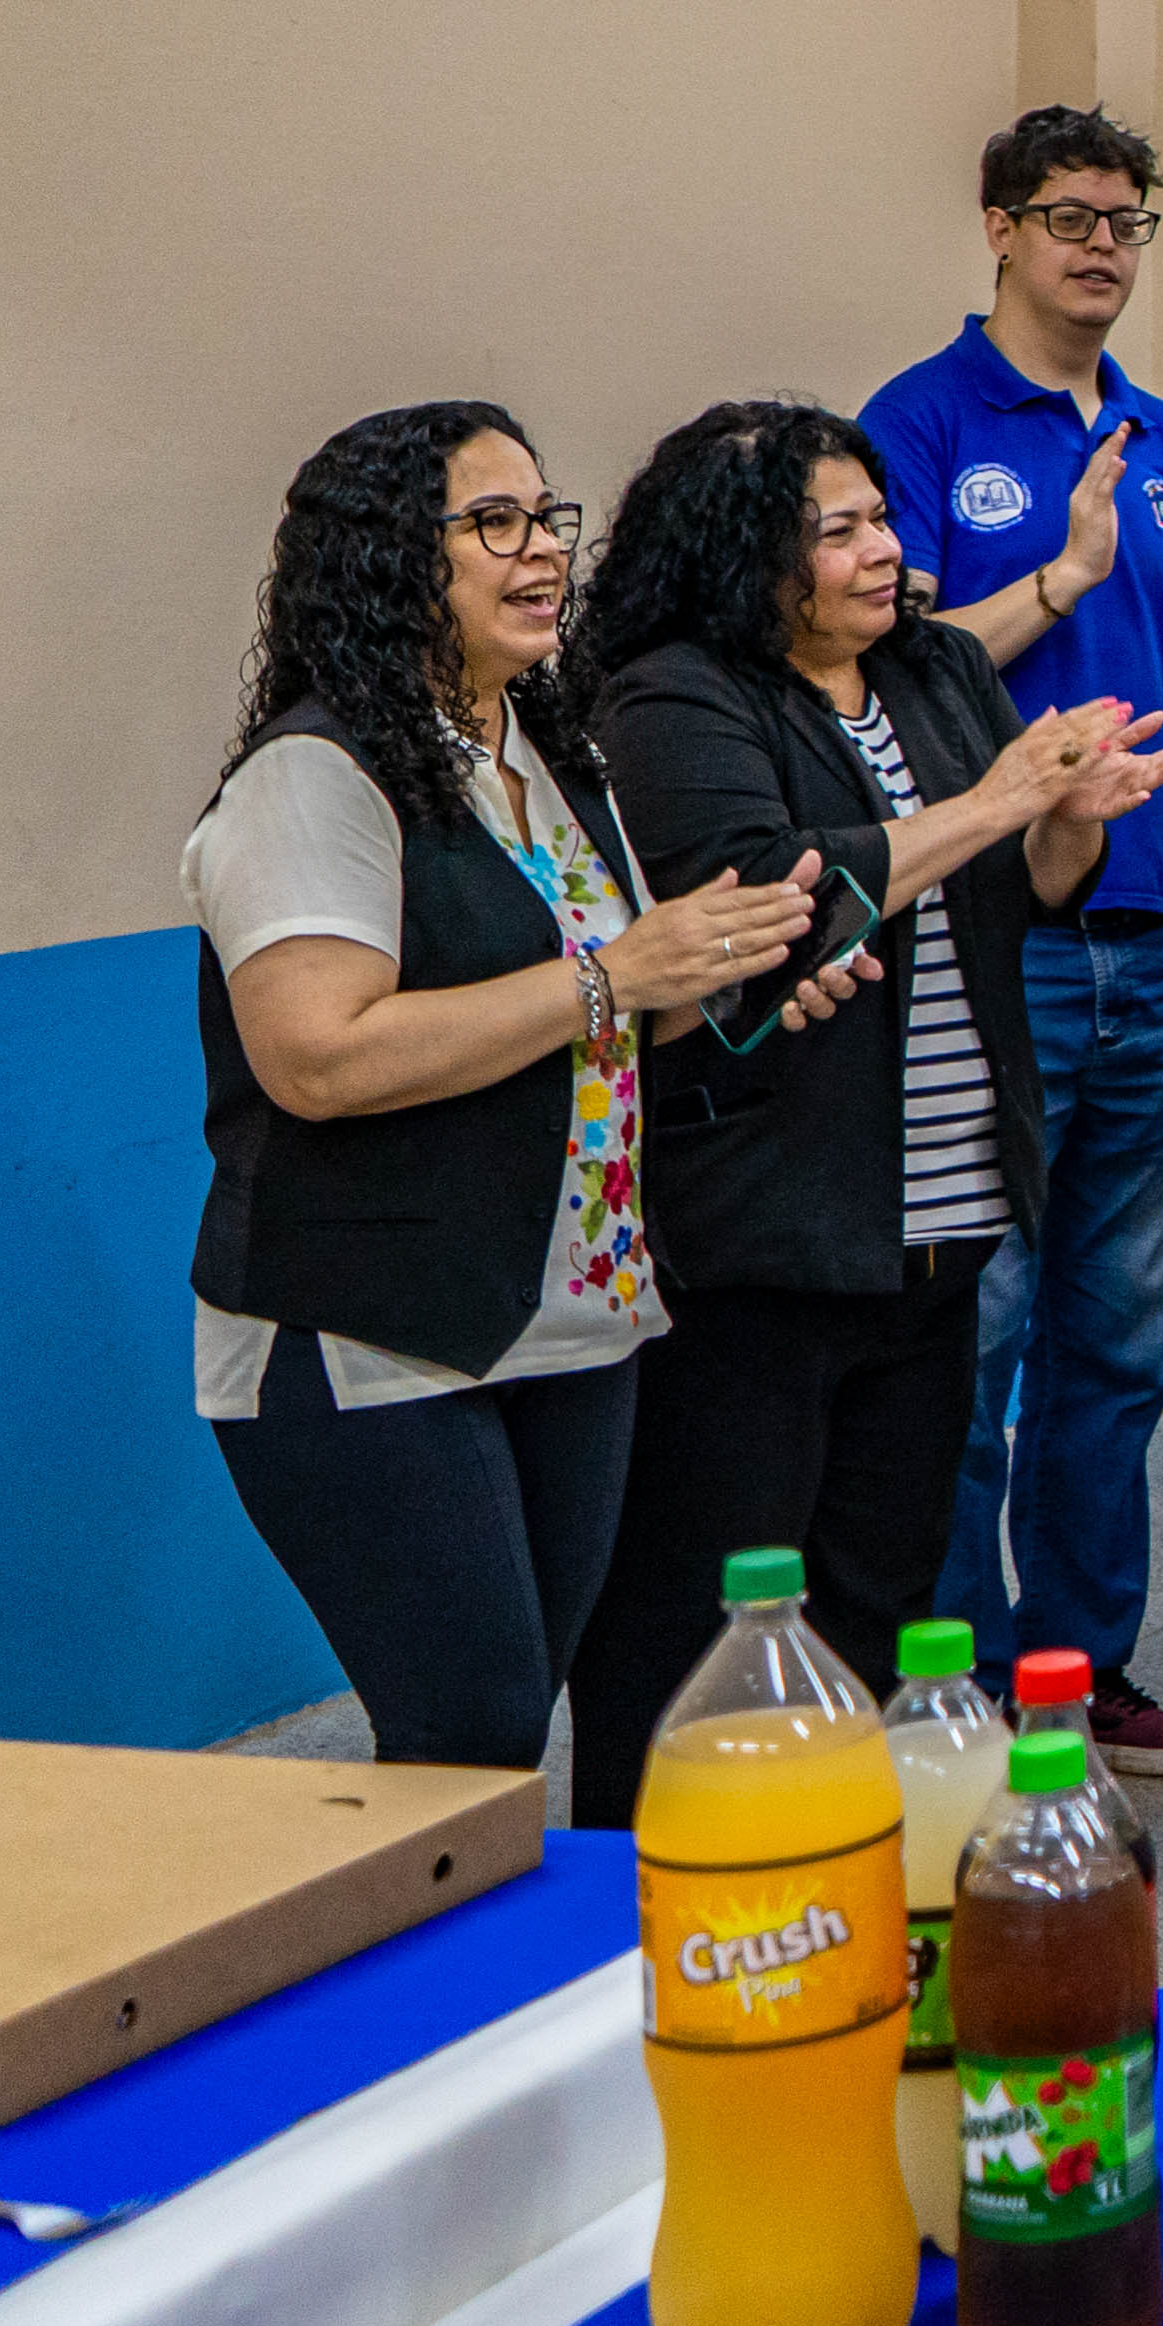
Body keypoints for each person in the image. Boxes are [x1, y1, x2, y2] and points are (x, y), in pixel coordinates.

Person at [187, 404, 868, 1776]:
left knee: (508, 1735)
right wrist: (616, 977)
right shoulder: (314, 776)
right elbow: (316, 1057)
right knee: (470, 1722)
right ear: (388, 558)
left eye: (547, 517)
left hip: (572, 1315)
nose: (543, 548)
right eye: (493, 522)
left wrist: (723, 981)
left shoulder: (545, 762)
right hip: (373, 1329)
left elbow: (588, 1016)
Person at [563, 402, 1163, 1829]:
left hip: (945, 1221)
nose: (883, 551)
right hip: (764, 1233)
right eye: (836, 530)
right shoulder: (675, 698)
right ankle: (652, 1902)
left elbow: (1027, 885)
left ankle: (854, 1882)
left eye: (882, 519)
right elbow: (769, 895)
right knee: (702, 1626)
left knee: (882, 1605)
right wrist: (1001, 799)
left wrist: (1070, 814)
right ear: (745, 553)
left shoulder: (936, 665)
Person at [861, 105, 1163, 1776]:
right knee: (977, 1331)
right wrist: (1066, 572)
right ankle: (955, 1680)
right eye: (1070, 215)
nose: (1101, 245)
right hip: (985, 943)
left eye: (1125, 220)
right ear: (1000, 229)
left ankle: (1081, 1668)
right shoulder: (919, 422)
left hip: (1151, 932)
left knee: (1122, 1336)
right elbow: (887, 663)